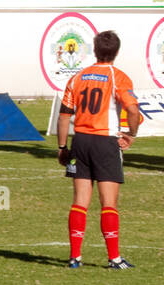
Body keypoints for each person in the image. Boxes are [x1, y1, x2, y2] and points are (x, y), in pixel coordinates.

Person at [57, 31, 142, 270]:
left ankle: (75, 257)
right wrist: (131, 135)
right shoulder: (118, 77)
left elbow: (64, 117)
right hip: (105, 143)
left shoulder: (78, 77)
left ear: (94, 50)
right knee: (108, 203)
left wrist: (62, 147)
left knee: (80, 202)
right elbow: (133, 111)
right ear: (117, 52)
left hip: (80, 141)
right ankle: (114, 258)